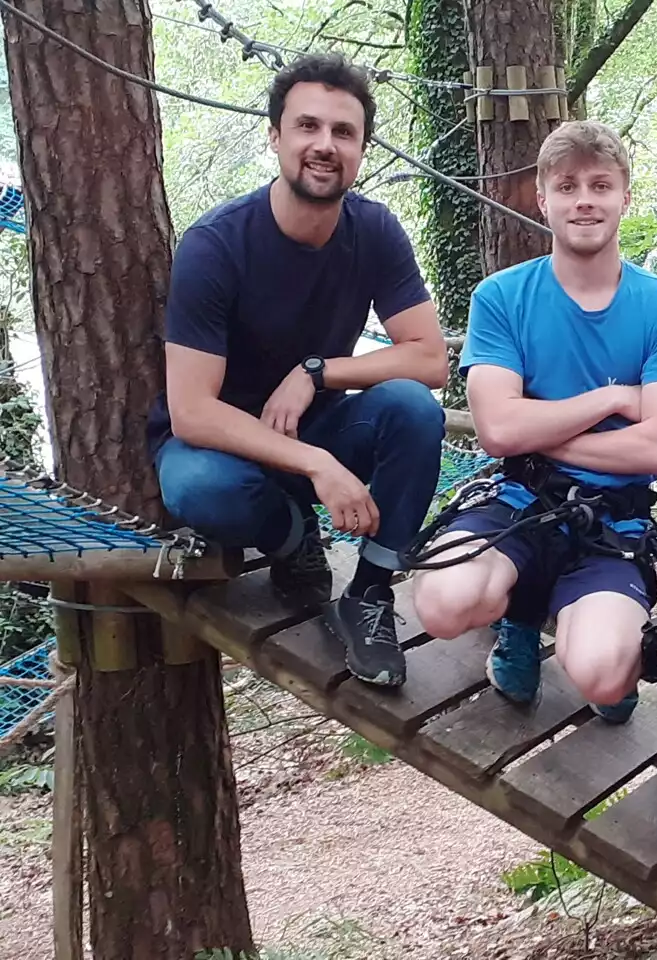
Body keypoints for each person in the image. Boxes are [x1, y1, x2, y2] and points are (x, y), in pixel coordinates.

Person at [147, 53, 449, 689]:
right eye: (307, 126)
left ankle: (368, 594)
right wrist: (319, 467)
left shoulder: (373, 230)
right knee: (201, 490)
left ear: (362, 149)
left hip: (317, 421)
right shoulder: (217, 244)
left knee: (413, 409)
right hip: (222, 443)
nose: (325, 145)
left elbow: (429, 360)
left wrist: (316, 371)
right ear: (275, 136)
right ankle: (291, 540)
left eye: (344, 132)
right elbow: (193, 411)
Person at [411, 120, 657, 722]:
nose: (585, 200)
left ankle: (599, 644)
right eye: (567, 186)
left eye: (601, 185)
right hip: (518, 496)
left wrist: (537, 430)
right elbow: (496, 432)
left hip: (613, 518)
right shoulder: (501, 297)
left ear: (626, 195)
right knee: (442, 603)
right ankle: (519, 616)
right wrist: (614, 399)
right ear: (543, 198)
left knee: (600, 675)